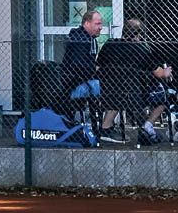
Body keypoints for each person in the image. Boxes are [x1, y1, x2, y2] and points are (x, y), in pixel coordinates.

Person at [97, 18, 172, 146]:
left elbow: (97, 67)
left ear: (123, 31)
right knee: (166, 96)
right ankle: (146, 127)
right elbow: (159, 73)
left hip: (109, 92)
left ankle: (106, 127)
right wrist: (167, 71)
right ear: (138, 34)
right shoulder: (141, 49)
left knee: (119, 91)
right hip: (135, 95)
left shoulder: (110, 44)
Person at [61, 9, 103, 100]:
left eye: (101, 24)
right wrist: (94, 68)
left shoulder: (92, 40)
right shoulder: (80, 39)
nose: (101, 27)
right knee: (101, 86)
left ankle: (96, 112)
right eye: (97, 24)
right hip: (73, 85)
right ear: (87, 24)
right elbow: (78, 65)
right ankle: (96, 113)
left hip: (83, 81)